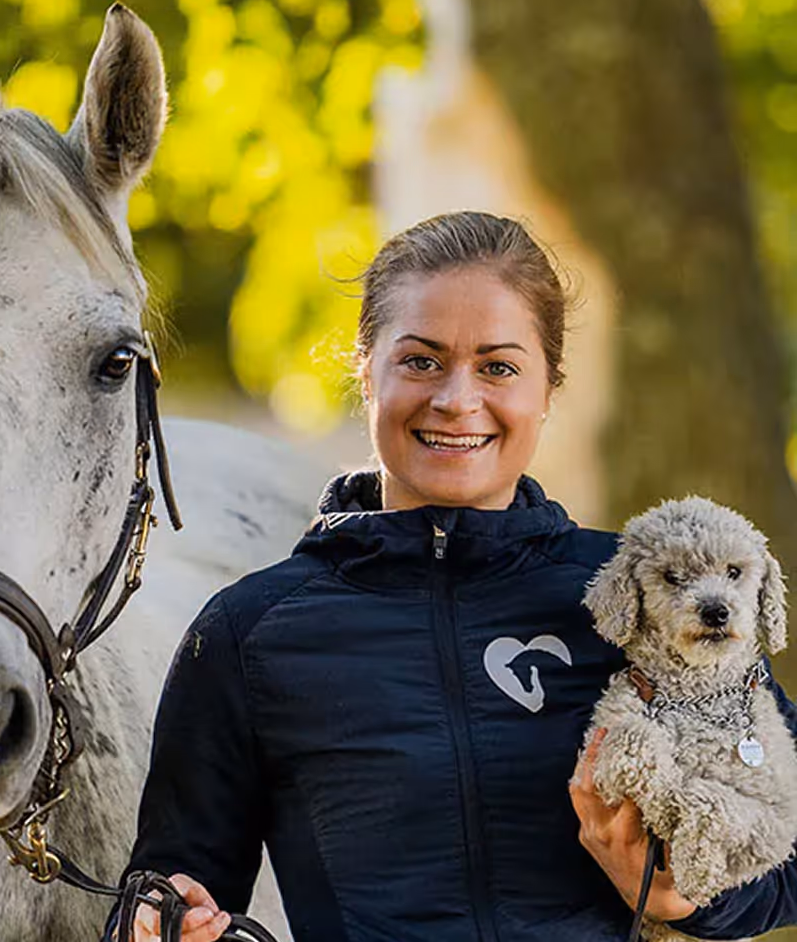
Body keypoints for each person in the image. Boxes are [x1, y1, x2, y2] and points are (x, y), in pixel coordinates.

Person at [108, 211, 797, 942]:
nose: (456, 400)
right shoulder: (248, 633)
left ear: (547, 389)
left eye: (498, 367)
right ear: (365, 370)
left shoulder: (641, 595)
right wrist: (161, 924)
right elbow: (166, 886)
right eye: (422, 361)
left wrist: (683, 902)